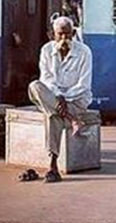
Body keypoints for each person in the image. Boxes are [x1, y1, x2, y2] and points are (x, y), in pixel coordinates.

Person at [27, 16, 93, 183]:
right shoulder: (46, 51)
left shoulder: (84, 52)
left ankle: (52, 164)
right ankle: (72, 120)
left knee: (52, 116)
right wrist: (58, 97)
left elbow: (83, 85)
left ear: (73, 33)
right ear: (52, 34)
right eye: (60, 35)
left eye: (68, 35)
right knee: (35, 86)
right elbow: (47, 80)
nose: (64, 39)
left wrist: (65, 97)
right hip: (54, 98)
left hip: (76, 101)